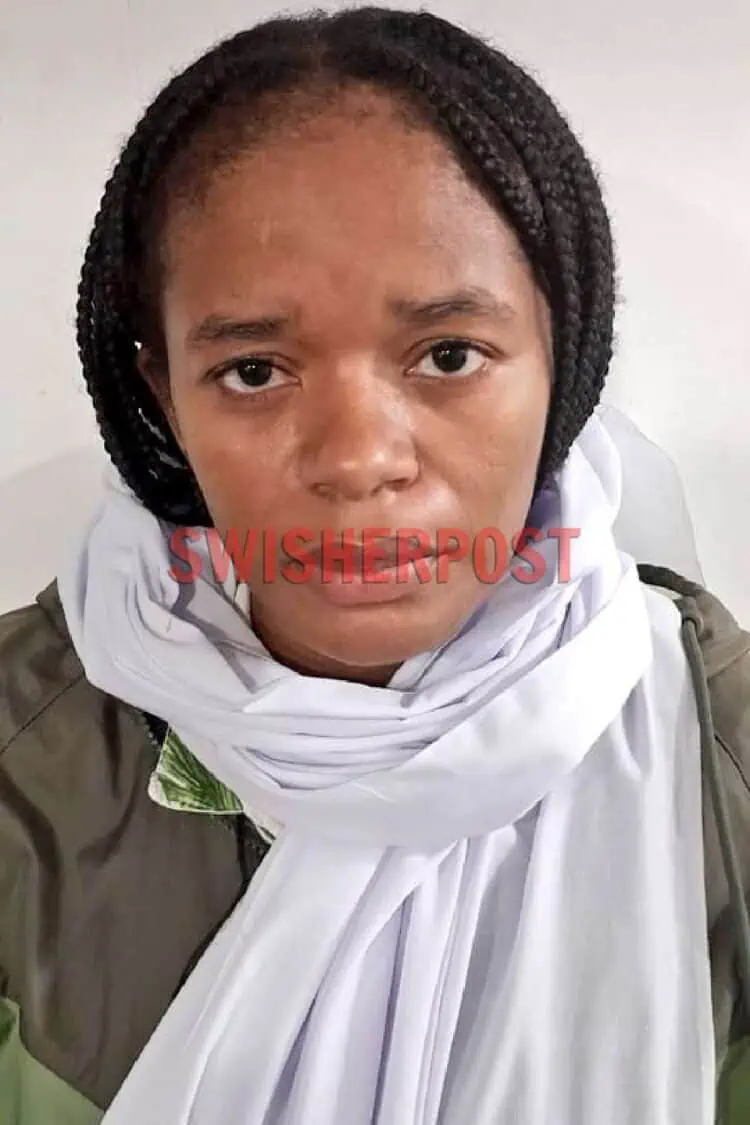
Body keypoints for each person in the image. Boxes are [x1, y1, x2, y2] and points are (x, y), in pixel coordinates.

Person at [0, 8, 748, 1124]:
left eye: (448, 354)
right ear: (163, 393)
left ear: (562, 356)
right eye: (254, 371)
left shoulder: (721, 751)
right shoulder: (24, 755)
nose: (357, 462)